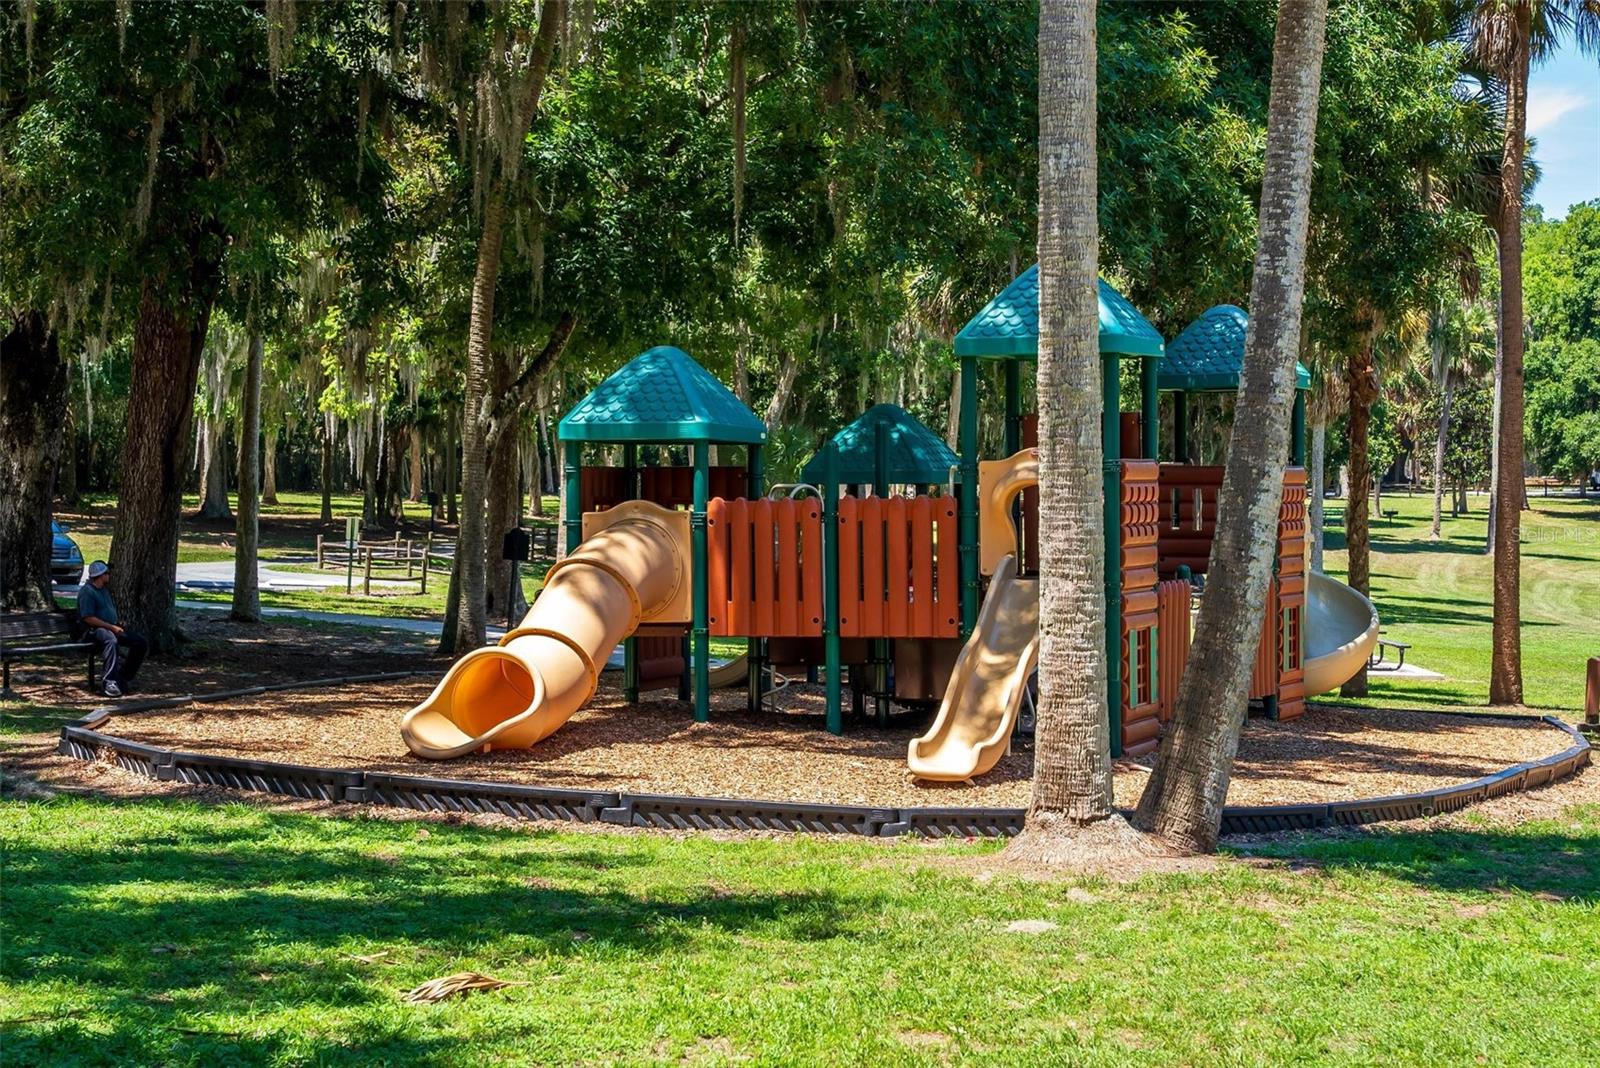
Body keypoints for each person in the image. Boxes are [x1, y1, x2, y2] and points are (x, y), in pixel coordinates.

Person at [75, 561, 148, 698]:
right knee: (111, 640)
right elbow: (88, 618)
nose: (109, 575)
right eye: (107, 573)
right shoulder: (87, 592)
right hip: (93, 630)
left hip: (110, 626)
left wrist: (115, 625)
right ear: (100, 575)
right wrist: (111, 627)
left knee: (140, 642)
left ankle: (123, 677)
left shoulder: (103, 590)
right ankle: (109, 681)